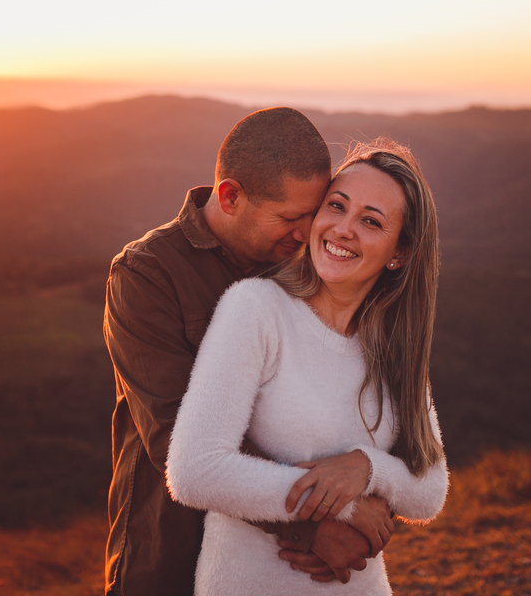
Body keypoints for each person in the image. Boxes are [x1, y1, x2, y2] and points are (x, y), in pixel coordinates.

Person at [103, 108, 397, 596]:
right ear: (230, 196)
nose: (308, 233)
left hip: (283, 570)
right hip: (172, 552)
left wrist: (369, 479)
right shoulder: (147, 275)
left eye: (315, 212)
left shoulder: (311, 268)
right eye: (290, 217)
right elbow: (175, 434)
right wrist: (321, 520)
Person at [166, 138, 449, 595]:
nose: (343, 229)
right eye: (336, 206)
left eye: (371, 221)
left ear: (400, 253)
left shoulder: (393, 344)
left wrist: (367, 469)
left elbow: (429, 490)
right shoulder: (256, 309)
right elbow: (194, 471)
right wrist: (342, 507)